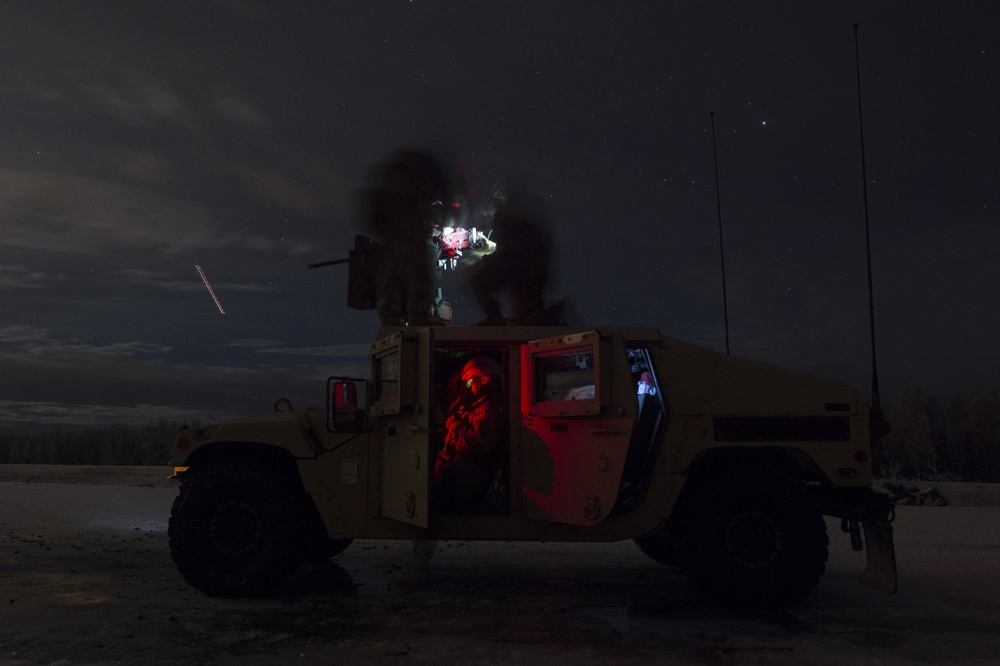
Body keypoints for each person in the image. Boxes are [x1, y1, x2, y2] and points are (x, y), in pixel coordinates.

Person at [357, 150, 454, 326]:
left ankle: (390, 315)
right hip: (406, 225)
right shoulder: (425, 177)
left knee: (394, 271)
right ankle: (417, 315)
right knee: (419, 269)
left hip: (393, 227)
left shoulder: (393, 176)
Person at [470, 180, 557, 325]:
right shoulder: (531, 212)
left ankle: (495, 318)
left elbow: (509, 249)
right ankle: (537, 317)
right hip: (538, 268)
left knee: (477, 277)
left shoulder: (506, 215)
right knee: (527, 307)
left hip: (519, 266)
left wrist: (486, 259)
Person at [433, 355, 507, 511]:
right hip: (457, 471)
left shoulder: (490, 407)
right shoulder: (479, 404)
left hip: (468, 477)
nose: (467, 388)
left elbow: (481, 443)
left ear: (485, 379)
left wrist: (456, 425)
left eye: (469, 382)